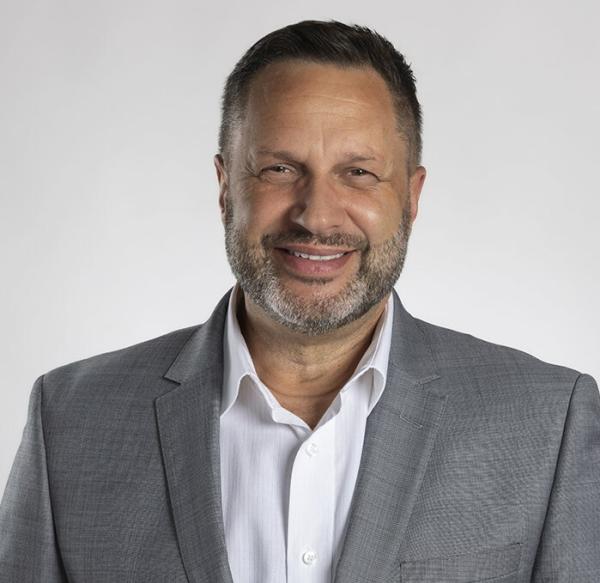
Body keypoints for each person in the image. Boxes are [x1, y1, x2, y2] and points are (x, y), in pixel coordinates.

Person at [1, 19, 598, 583]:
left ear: (412, 196)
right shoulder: (70, 420)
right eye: (280, 169)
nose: (316, 216)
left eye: (358, 173)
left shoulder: (549, 423)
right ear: (225, 187)